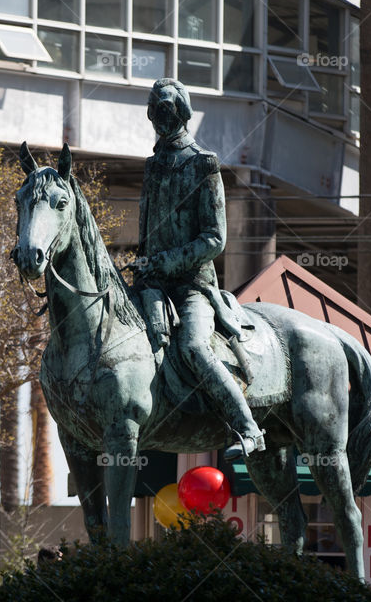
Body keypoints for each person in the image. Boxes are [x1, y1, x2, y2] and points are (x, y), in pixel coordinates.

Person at [135, 77, 265, 461]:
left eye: (169, 110)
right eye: (156, 110)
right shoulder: (152, 166)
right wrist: (144, 265)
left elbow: (214, 238)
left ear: (183, 114)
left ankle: (248, 428)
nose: (162, 117)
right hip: (151, 282)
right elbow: (146, 234)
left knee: (193, 345)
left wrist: (168, 260)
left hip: (192, 285)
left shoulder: (203, 164)